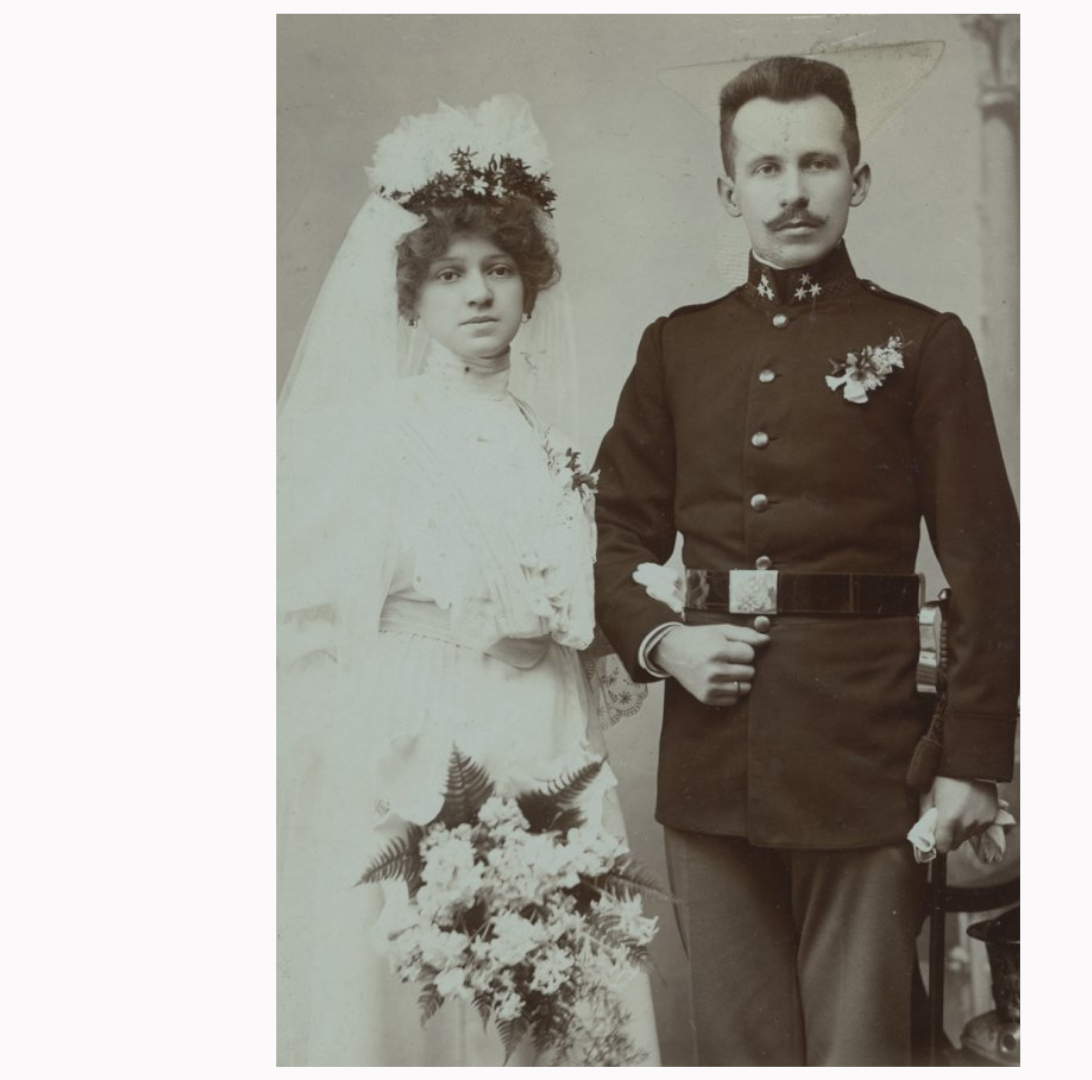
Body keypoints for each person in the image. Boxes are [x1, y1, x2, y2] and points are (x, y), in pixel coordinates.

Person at [592, 56, 1019, 1065]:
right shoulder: (677, 348)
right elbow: (616, 540)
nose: (793, 191)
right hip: (714, 760)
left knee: (859, 1047)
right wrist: (665, 644)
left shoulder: (924, 343)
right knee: (740, 1050)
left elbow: (989, 566)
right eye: (768, 167)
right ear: (727, 189)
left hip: (866, 758)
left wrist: (974, 764)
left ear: (857, 180)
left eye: (818, 164)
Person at [276, 95, 659, 1066]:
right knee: (426, 979)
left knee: (554, 979)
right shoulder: (379, 430)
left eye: (499, 270)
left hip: (542, 728)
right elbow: (310, 607)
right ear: (411, 299)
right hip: (420, 726)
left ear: (530, 287)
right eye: (449, 274)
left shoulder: (545, 438)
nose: (479, 294)